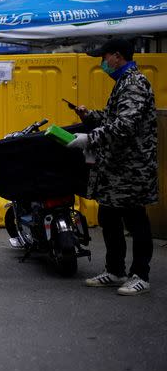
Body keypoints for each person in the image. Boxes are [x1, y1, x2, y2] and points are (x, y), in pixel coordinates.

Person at [68, 38, 158, 296]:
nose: (102, 63)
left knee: (135, 218)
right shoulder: (123, 83)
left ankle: (140, 275)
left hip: (132, 169)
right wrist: (91, 116)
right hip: (115, 168)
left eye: (104, 57)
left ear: (117, 56)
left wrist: (90, 138)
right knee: (108, 216)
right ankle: (115, 270)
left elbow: (126, 126)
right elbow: (114, 118)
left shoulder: (135, 84)